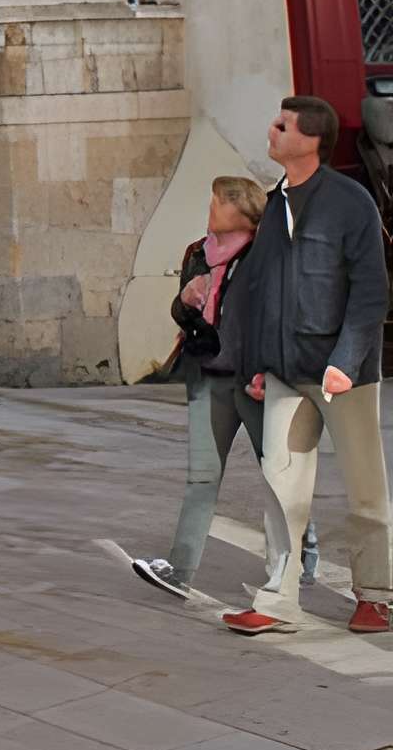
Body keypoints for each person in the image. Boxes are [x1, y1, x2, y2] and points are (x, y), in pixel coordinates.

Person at [224, 96, 393, 637]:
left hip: (344, 375)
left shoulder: (351, 202)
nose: (271, 131)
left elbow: (371, 291)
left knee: (365, 489)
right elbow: (261, 290)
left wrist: (345, 361)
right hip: (284, 371)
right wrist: (257, 364)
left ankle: (376, 597)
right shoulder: (274, 204)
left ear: (312, 140)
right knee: (282, 490)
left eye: (283, 125)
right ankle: (279, 602)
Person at [131, 176, 318, 598]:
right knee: (202, 477)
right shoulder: (198, 252)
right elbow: (184, 317)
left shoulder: (268, 255)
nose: (210, 209)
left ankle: (303, 552)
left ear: (241, 211)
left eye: (218, 202)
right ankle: (180, 571)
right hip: (207, 376)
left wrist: (273, 370)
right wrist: (185, 300)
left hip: (256, 381)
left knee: (279, 473)